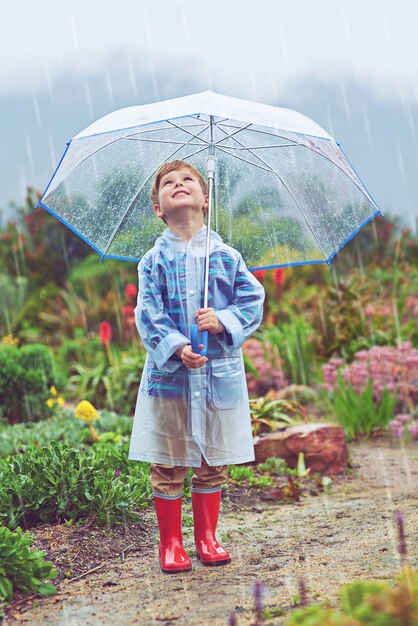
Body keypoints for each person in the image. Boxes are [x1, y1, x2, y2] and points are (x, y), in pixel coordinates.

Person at [128, 159, 265, 574]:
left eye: (188, 180)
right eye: (169, 183)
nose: (179, 184)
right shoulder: (153, 261)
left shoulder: (226, 257)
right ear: (158, 207)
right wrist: (177, 346)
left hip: (217, 377)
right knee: (168, 461)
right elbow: (147, 312)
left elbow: (252, 302)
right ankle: (170, 543)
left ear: (206, 200)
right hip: (171, 380)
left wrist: (222, 320)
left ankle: (206, 536)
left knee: (212, 460)